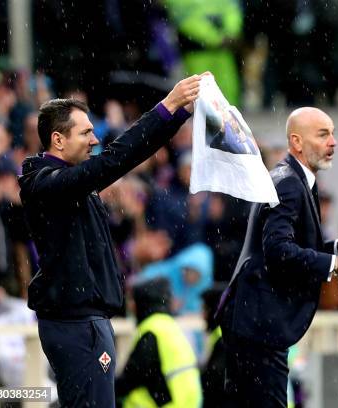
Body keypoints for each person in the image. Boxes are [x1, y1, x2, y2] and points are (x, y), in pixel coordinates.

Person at [18, 74, 203, 407]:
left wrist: (178, 114)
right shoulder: (47, 184)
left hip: (87, 320)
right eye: (86, 133)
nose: (94, 140)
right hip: (76, 324)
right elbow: (117, 159)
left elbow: (121, 159)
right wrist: (168, 106)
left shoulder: (72, 181)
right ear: (58, 140)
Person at [217, 107, 338, 407]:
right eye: (323, 134)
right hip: (258, 326)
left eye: (333, 133)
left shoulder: (296, 178)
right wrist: (337, 266)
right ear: (297, 142)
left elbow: (294, 244)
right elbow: (278, 251)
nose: (333, 142)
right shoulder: (289, 182)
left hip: (254, 323)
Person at [115, 277, 202, 408]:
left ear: (143, 301)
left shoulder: (152, 330)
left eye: (132, 300)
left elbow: (130, 378)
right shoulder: (170, 326)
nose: (130, 305)